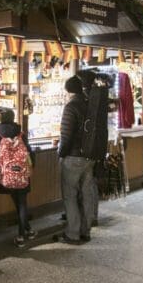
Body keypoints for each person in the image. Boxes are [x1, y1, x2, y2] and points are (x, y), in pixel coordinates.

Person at [0, 107, 36, 248]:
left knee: (18, 203)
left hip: (6, 175)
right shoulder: (20, 132)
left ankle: (23, 235)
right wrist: (30, 167)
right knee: (21, 203)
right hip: (22, 173)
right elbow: (29, 152)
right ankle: (26, 232)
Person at [54, 75, 95, 244]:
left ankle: (72, 233)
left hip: (73, 156)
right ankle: (85, 231)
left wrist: (61, 153)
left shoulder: (71, 106)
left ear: (68, 90)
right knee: (86, 194)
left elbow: (66, 134)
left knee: (70, 195)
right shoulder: (90, 104)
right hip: (89, 156)